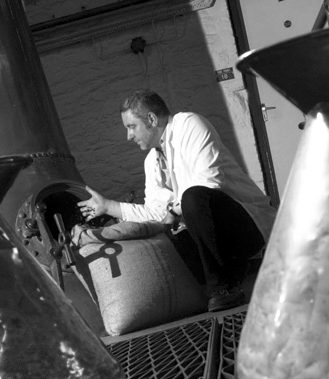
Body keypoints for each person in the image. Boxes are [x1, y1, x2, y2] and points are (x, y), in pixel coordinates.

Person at [78, 90, 277, 312]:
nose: (129, 136)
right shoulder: (152, 161)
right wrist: (109, 206)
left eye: (131, 127)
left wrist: (173, 211)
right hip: (216, 240)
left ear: (151, 119)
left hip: (247, 229)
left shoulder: (190, 124)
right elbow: (155, 212)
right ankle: (230, 276)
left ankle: (223, 289)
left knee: (193, 198)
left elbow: (209, 183)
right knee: (168, 230)